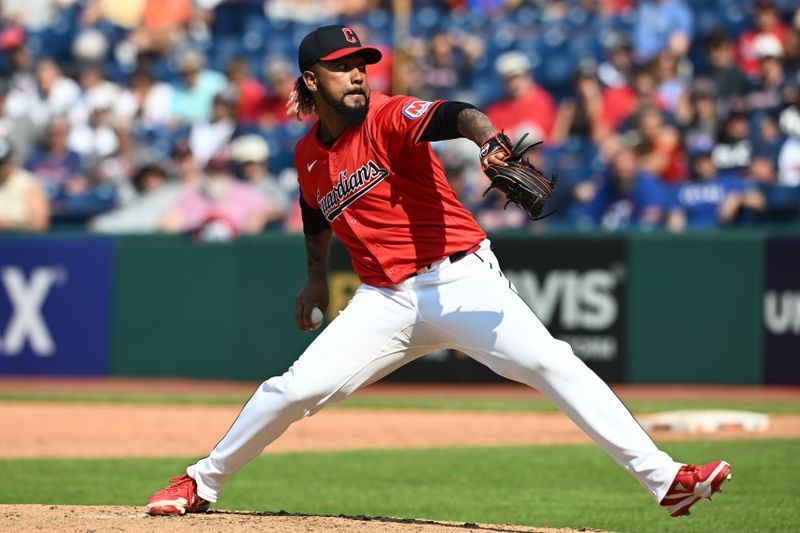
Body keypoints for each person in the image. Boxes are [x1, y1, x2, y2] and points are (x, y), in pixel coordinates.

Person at [145, 24, 731, 519]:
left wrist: (490, 143)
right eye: (341, 66)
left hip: (462, 282)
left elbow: (458, 114)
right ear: (309, 80)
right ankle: (201, 482)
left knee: (554, 362)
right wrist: (316, 277)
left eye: (361, 64)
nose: (356, 74)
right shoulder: (307, 155)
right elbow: (313, 211)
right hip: (384, 302)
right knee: (293, 389)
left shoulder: (389, 114)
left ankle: (668, 481)